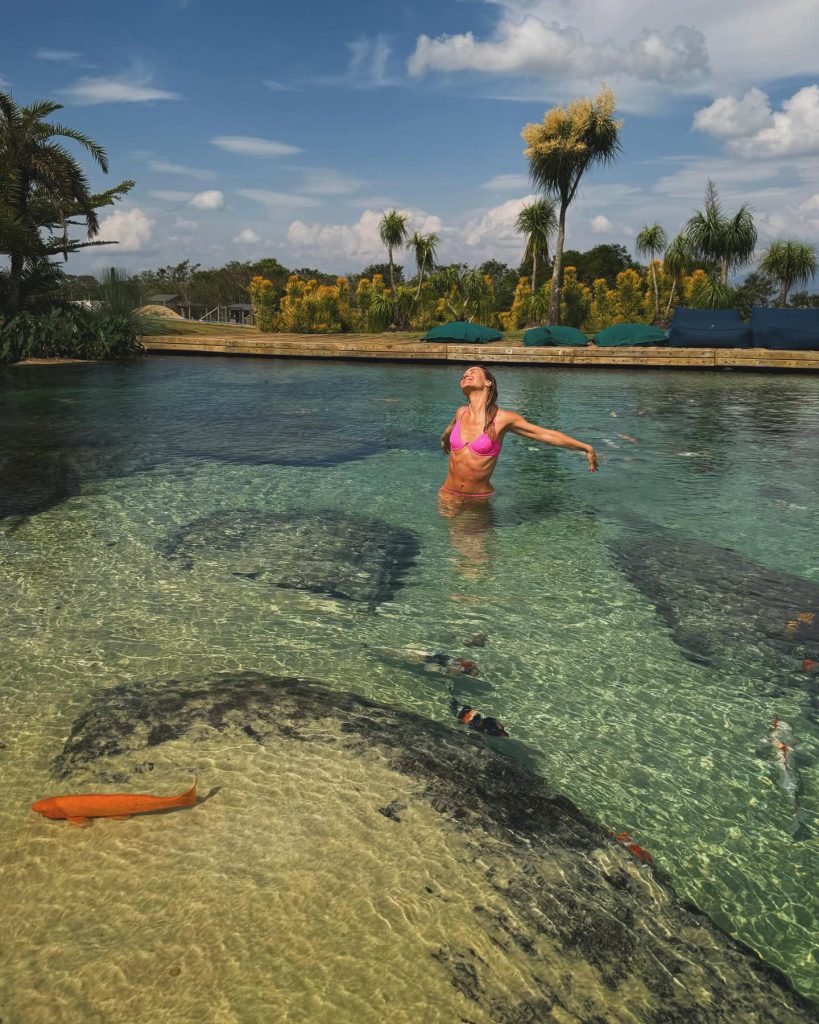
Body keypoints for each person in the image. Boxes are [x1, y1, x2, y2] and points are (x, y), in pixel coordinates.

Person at [440, 365, 598, 499]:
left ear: (488, 382)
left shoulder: (503, 419)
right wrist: (444, 439)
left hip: (478, 499)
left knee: (477, 536)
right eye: (464, 374)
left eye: (473, 372)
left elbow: (545, 435)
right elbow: (449, 429)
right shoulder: (461, 413)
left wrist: (585, 447)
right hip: (448, 494)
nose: (466, 374)